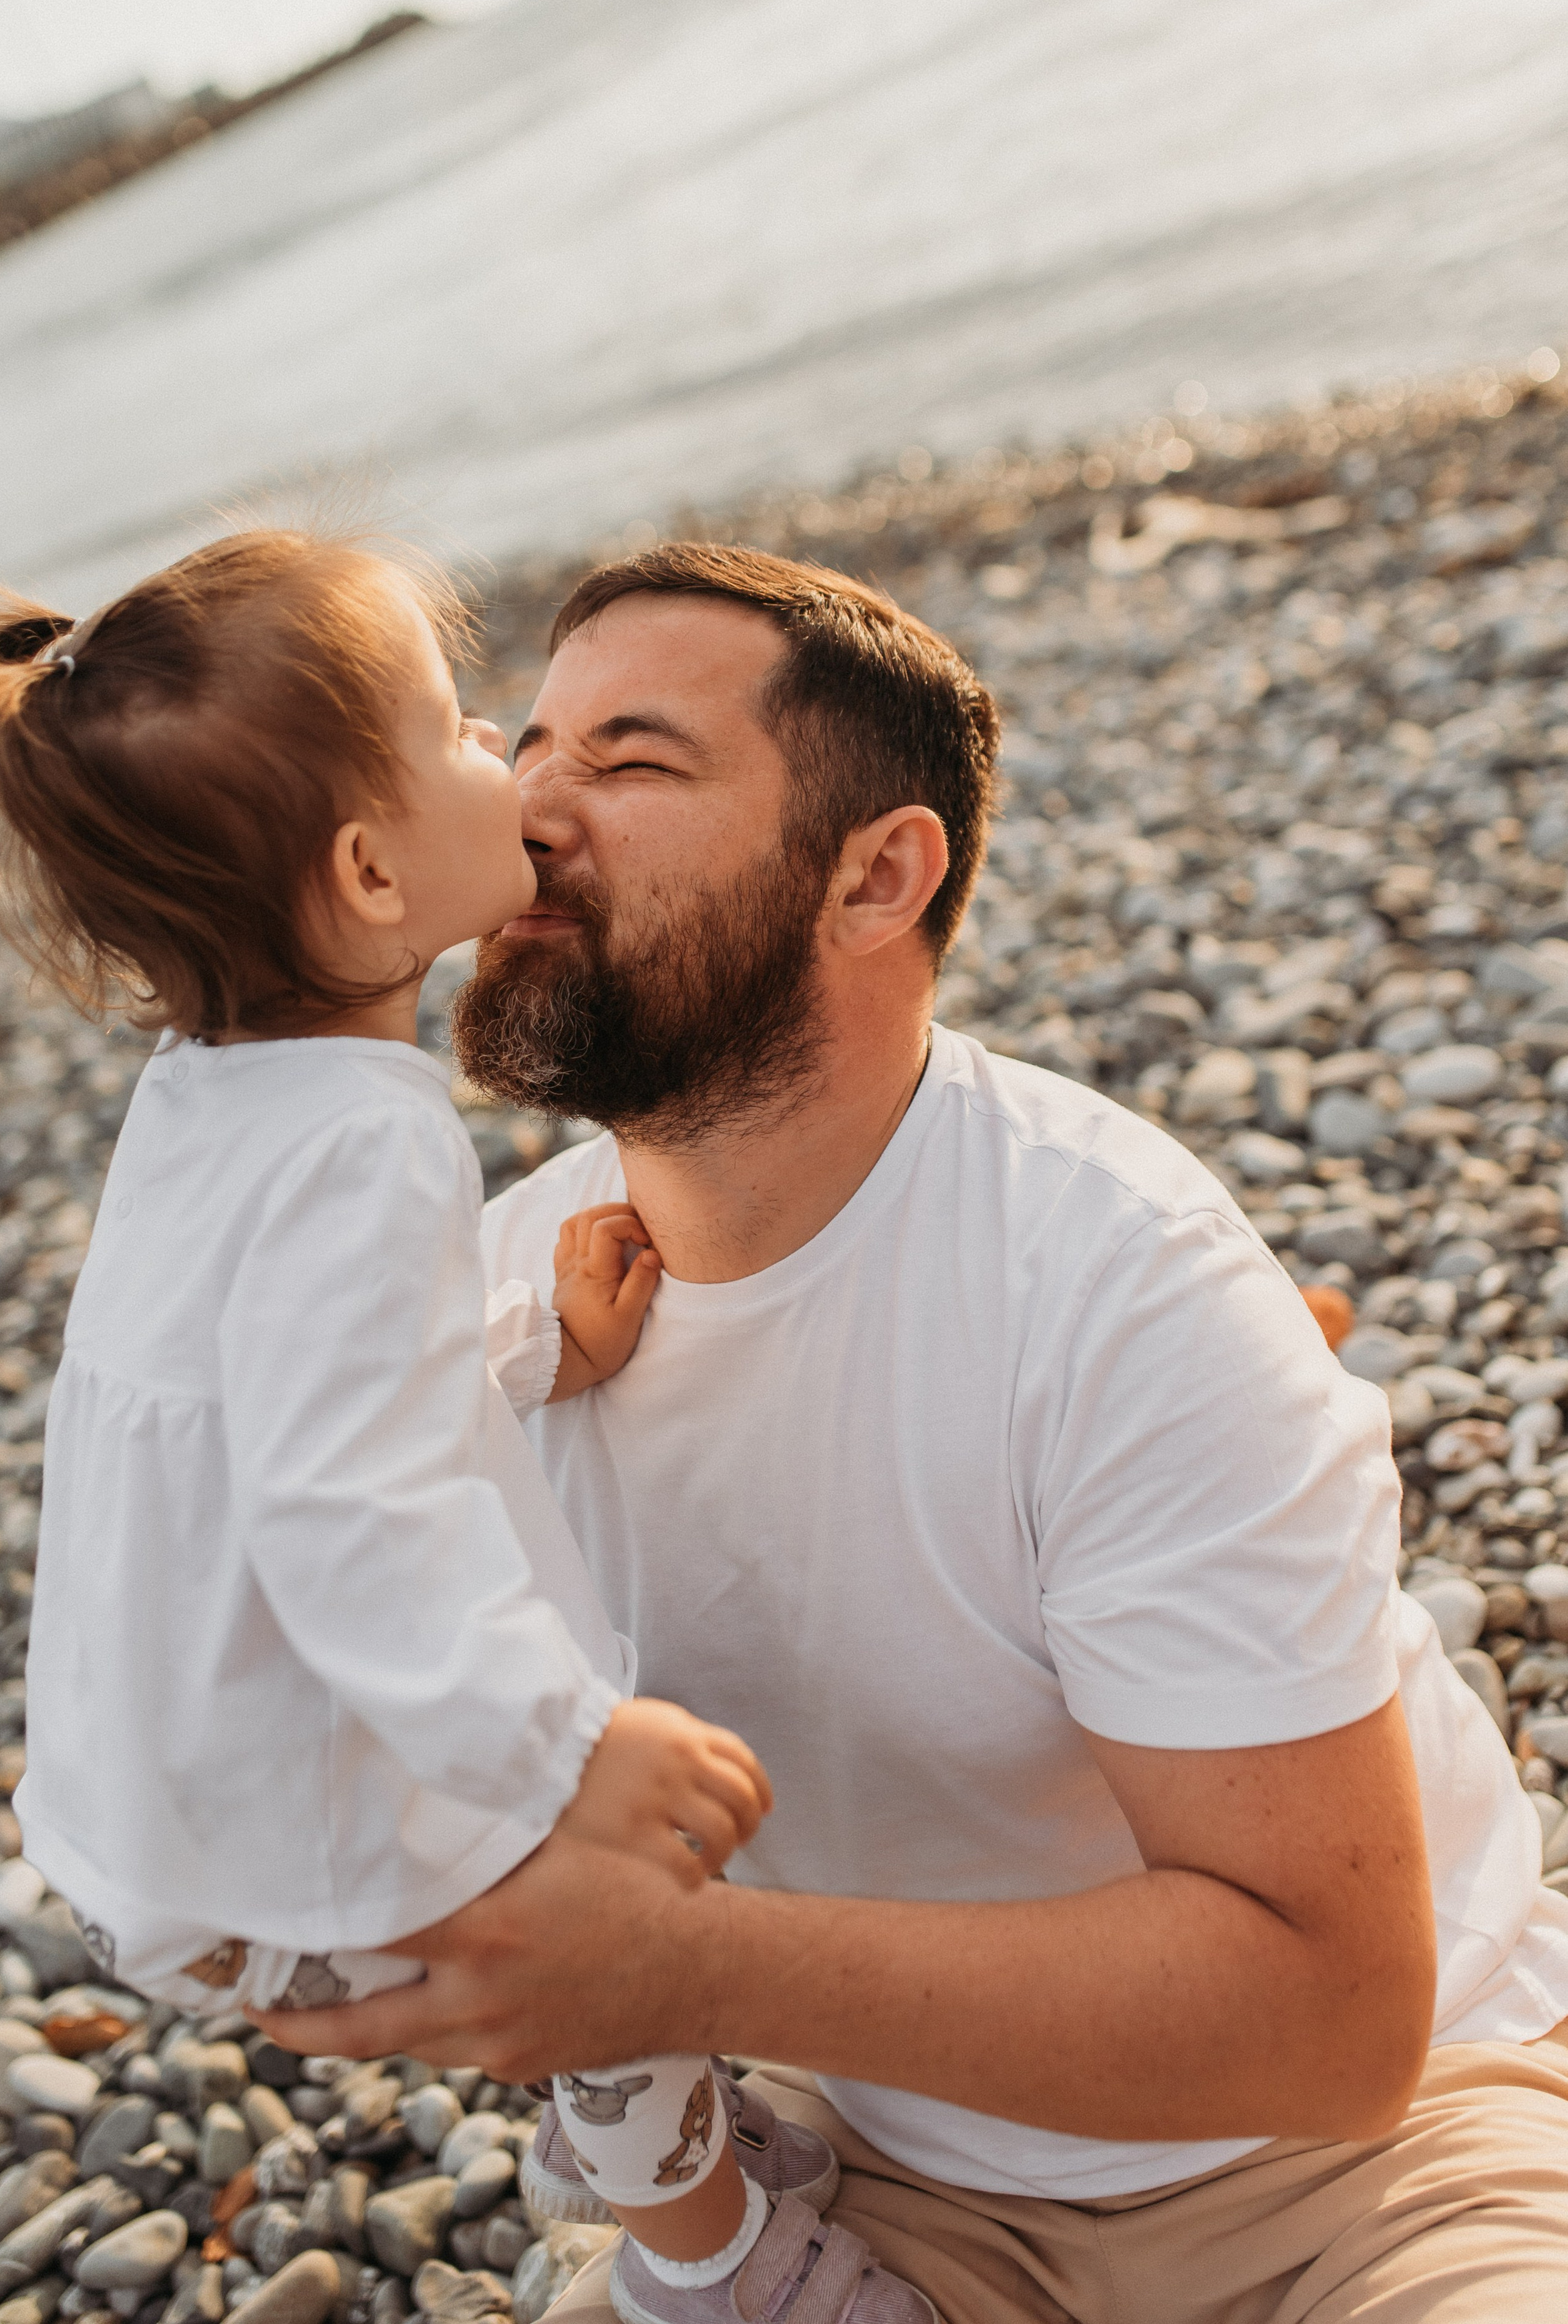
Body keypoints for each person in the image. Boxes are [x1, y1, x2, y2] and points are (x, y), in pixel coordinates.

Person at [262, 543, 1568, 2321]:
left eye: (632, 762)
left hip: (1374, 2163)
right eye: (526, 746)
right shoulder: (498, 1311)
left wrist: (689, 1967)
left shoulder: (1114, 1278)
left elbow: (1330, 2024)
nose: (530, 809)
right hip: (888, 2185)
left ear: (878, 875)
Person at [0, 530, 938, 2324]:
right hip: (274, 1821)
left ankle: (631, 2122)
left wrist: (524, 1337)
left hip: (140, 1801)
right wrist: (565, 1747)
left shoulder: (214, 1094)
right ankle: (711, 2254)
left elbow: (279, 1384)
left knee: (603, 1868)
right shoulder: (370, 1136)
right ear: (375, 870)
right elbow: (344, 1509)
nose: (521, 767)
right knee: (623, 1896)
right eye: (466, 736)